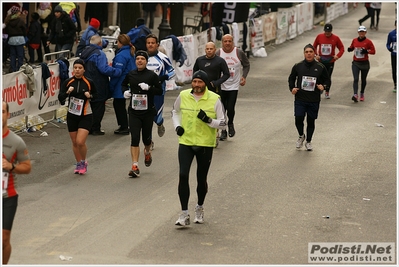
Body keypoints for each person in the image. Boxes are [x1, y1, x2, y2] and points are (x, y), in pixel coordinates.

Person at [171, 70, 226, 226]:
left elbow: (223, 123)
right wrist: (178, 127)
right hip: (186, 142)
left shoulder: (215, 99)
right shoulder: (183, 96)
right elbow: (175, 112)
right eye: (194, 81)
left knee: (201, 179)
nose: (196, 85)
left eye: (200, 82)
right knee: (183, 175)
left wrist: (209, 120)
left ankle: (199, 207)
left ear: (205, 83)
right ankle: (184, 213)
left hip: (204, 144)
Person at [121, 50, 163, 178]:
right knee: (134, 137)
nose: (139, 61)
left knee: (146, 138)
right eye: (138, 58)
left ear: (146, 61)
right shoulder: (131, 74)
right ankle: (135, 166)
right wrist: (125, 92)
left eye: (142, 59)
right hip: (134, 111)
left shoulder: (152, 76)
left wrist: (149, 88)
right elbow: (123, 84)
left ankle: (147, 151)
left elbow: (159, 91)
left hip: (147, 112)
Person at [2, 101, 32, 264]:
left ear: (7, 115)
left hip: (8, 197)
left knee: (4, 239)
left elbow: (27, 167)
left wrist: (11, 167)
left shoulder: (16, 141)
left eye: (2, 111)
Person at [288, 44, 331, 151]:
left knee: (311, 121)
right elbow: (291, 78)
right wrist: (292, 88)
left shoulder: (320, 67)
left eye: (310, 52)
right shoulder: (298, 66)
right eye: (306, 52)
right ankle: (301, 136)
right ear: (304, 53)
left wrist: (323, 86)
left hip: (314, 99)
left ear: (314, 53)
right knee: (298, 118)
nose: (308, 54)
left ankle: (308, 141)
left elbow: (327, 80)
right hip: (300, 98)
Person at [58, 59, 97, 174]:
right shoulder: (68, 82)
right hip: (72, 115)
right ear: (72, 69)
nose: (77, 70)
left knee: (80, 142)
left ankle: (84, 161)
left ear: (84, 70)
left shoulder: (89, 82)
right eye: (75, 68)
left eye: (80, 68)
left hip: (85, 115)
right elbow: (60, 98)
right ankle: (79, 163)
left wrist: (90, 96)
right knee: (74, 142)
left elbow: (97, 95)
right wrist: (67, 93)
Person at [80, 35, 122, 135]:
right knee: (99, 106)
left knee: (89, 105)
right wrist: (117, 71)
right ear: (99, 43)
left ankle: (87, 127)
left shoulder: (85, 51)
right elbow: (103, 69)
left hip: (87, 81)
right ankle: (95, 128)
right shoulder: (99, 54)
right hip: (98, 82)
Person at [216, 34, 250, 141]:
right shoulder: (218, 53)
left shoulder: (238, 52)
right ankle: (223, 130)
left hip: (234, 85)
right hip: (221, 85)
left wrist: (244, 76)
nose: (227, 43)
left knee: (230, 108)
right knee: (222, 109)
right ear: (222, 43)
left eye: (229, 41)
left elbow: (246, 64)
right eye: (225, 41)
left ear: (233, 42)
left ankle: (230, 123)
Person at [146, 33, 176, 139]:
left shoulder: (163, 58)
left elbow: (173, 72)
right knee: (146, 118)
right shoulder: (141, 57)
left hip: (158, 91)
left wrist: (163, 78)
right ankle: (148, 141)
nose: (150, 45)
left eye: (153, 43)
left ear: (157, 45)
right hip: (144, 92)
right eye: (148, 43)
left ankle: (160, 124)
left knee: (156, 117)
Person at [109, 34, 137, 135]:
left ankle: (124, 126)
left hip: (121, 83)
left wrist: (111, 86)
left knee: (118, 105)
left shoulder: (121, 56)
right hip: (129, 82)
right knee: (123, 105)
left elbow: (117, 73)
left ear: (120, 42)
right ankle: (127, 125)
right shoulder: (130, 53)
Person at [312, 23, 345, 99]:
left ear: (331, 31)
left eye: (329, 31)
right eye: (326, 31)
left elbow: (342, 48)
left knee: (328, 76)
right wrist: (316, 55)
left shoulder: (336, 38)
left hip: (330, 60)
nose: (327, 33)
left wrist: (337, 56)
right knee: (319, 75)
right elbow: (314, 46)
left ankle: (327, 91)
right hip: (321, 60)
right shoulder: (319, 36)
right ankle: (319, 89)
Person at [347, 26, 376, 102]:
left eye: (363, 32)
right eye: (360, 32)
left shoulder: (368, 42)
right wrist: (350, 49)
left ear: (365, 33)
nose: (361, 33)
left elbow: (373, 51)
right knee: (356, 79)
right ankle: (355, 94)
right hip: (356, 63)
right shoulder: (354, 40)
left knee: (363, 79)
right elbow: (352, 47)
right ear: (358, 32)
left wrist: (367, 51)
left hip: (365, 63)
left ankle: (362, 93)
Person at [4, 6, 26, 72]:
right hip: (20, 39)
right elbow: (24, 29)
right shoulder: (20, 20)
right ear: (17, 12)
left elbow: (7, 30)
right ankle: (20, 68)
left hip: (11, 40)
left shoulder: (8, 20)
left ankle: (13, 69)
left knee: (12, 55)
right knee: (20, 55)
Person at [386, 20, 397, 92]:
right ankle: (395, 84)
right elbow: (387, 43)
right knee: (394, 69)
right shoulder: (391, 34)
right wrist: (389, 48)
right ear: (395, 25)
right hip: (394, 54)